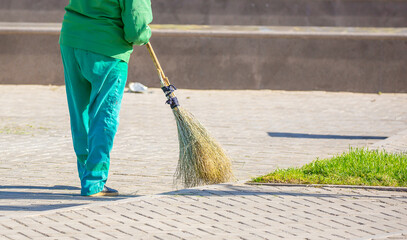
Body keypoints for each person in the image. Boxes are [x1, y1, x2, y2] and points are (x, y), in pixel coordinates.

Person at [59, 0, 153, 196]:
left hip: (72, 40)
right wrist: (145, 35)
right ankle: (94, 182)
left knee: (80, 113)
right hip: (108, 49)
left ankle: (87, 174)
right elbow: (136, 30)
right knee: (104, 115)